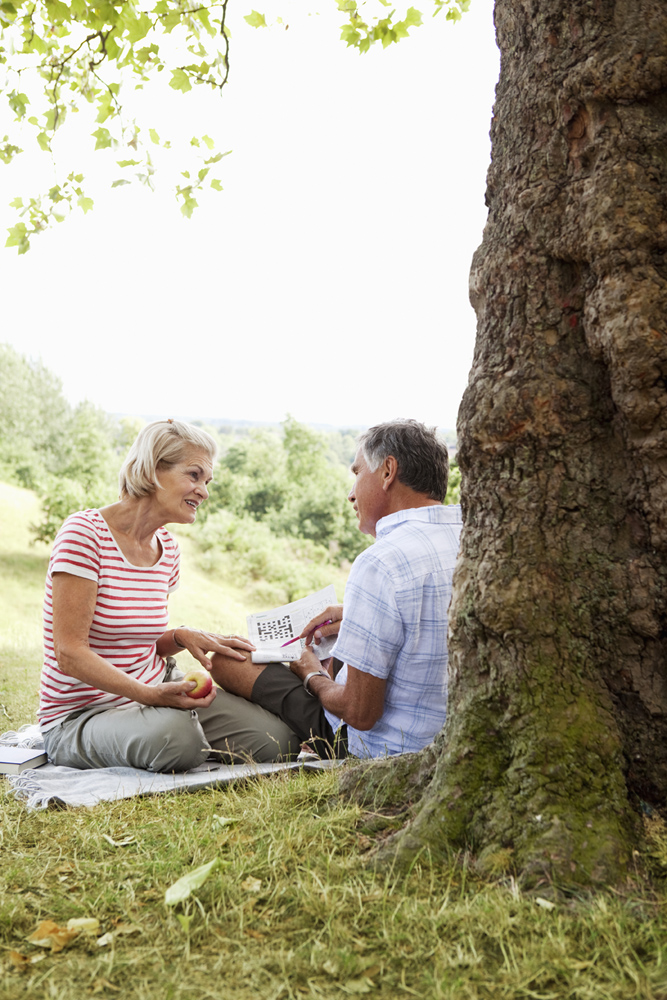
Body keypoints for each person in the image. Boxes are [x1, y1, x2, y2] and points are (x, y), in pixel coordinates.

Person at [39, 419, 299, 771]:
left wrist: (179, 636)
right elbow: (69, 652)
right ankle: (172, 735)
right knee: (179, 741)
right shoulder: (84, 535)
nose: (204, 491)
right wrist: (148, 696)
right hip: (82, 715)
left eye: (207, 481)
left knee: (276, 741)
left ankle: (170, 731)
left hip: (158, 691)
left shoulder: (169, 551)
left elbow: (132, 640)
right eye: (194, 476)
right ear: (153, 470)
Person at [210, 418, 463, 758]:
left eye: (357, 474)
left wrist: (312, 674)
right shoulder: (472, 537)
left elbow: (360, 713)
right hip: (448, 732)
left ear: (388, 471)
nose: (350, 494)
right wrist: (358, 617)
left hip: (385, 746)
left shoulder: (381, 562)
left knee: (227, 661)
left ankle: (296, 730)